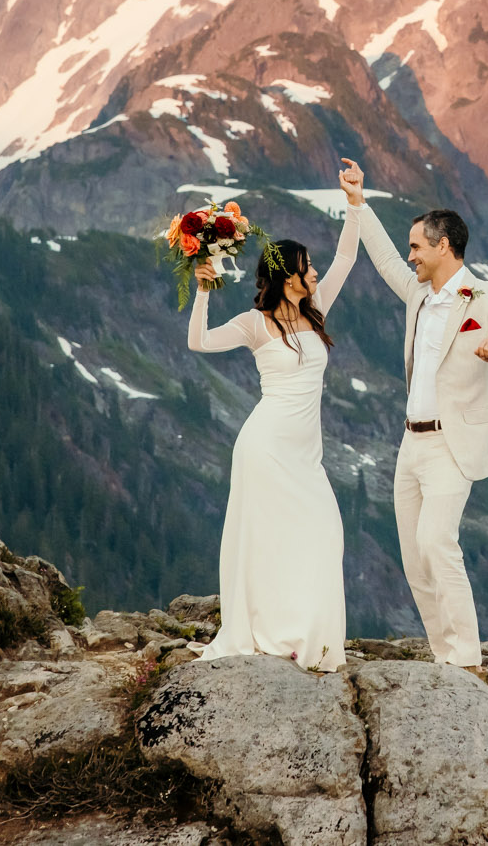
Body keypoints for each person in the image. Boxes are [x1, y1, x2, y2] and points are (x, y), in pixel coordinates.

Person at [339, 156, 488, 669]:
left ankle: (468, 661)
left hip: (454, 444)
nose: (410, 256)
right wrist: (358, 202)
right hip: (411, 442)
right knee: (413, 557)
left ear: (443, 246)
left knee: (437, 542)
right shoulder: (417, 293)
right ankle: (444, 657)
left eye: (417, 247)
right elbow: (385, 259)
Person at [184, 187, 364, 670]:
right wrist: (203, 287)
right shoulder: (255, 323)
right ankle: (272, 634)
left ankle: (307, 636)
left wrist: (354, 203)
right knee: (267, 540)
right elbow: (199, 342)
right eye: (307, 266)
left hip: (306, 455)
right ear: (288, 276)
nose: (315, 272)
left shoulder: (316, 308)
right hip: (264, 447)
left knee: (324, 533)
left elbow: (347, 255)